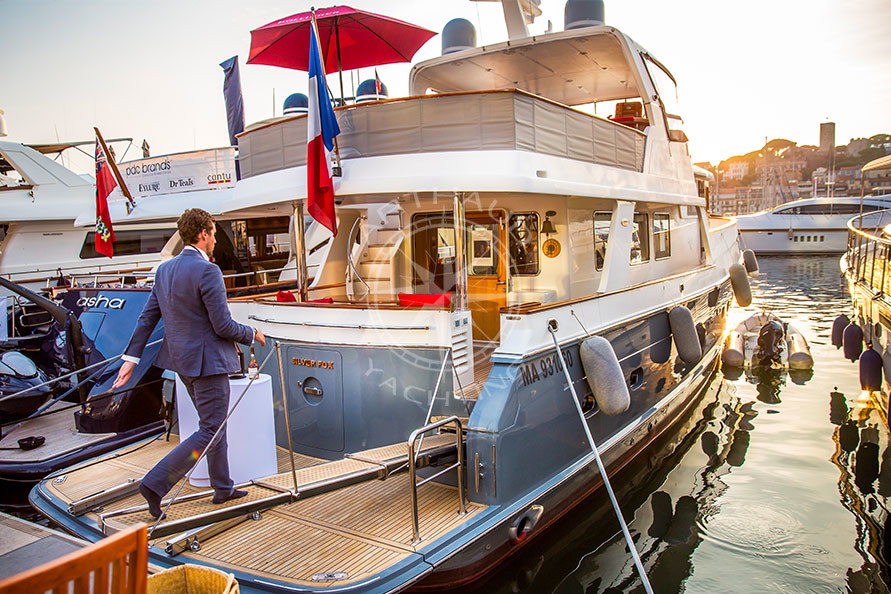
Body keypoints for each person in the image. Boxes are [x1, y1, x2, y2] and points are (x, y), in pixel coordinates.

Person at [112, 208, 266, 517]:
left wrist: (131, 358)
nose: (214, 241)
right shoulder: (207, 271)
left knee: (213, 425)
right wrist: (252, 333)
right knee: (211, 428)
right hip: (208, 365)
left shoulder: (165, 270)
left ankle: (223, 487)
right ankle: (155, 484)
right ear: (204, 234)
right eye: (212, 233)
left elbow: (147, 318)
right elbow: (223, 326)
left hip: (182, 364)